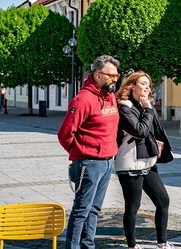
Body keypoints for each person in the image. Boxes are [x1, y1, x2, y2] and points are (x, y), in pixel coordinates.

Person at [57, 55, 121, 249]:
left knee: (94, 209)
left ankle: (88, 245)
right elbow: (65, 134)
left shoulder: (110, 97)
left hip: (108, 161)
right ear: (98, 74)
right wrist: (82, 153)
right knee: (81, 210)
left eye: (117, 75)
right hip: (89, 163)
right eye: (111, 75)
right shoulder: (83, 100)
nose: (115, 79)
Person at [115, 71, 174, 249]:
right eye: (143, 83)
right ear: (132, 85)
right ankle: (132, 245)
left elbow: (152, 128)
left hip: (147, 160)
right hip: (130, 162)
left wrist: (156, 142)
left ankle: (162, 242)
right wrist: (148, 109)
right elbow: (139, 130)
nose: (147, 87)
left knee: (163, 200)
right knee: (133, 206)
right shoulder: (124, 107)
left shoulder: (144, 104)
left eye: (149, 84)